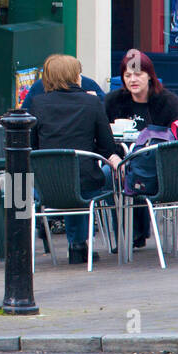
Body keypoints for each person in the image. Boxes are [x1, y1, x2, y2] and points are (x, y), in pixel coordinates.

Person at [30, 54, 123, 265]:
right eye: (78, 73)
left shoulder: (38, 104)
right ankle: (79, 243)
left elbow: (32, 145)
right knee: (88, 180)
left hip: (48, 185)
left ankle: (77, 244)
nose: (81, 77)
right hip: (85, 181)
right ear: (72, 76)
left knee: (68, 179)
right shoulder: (91, 102)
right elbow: (107, 146)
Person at [105, 49, 178, 248]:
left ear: (150, 76)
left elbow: (172, 138)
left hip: (156, 162)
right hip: (122, 159)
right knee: (110, 174)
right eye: (128, 75)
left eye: (138, 74)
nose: (133, 79)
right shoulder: (113, 101)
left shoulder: (168, 102)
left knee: (138, 174)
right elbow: (103, 137)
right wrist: (113, 158)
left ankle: (137, 232)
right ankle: (124, 236)